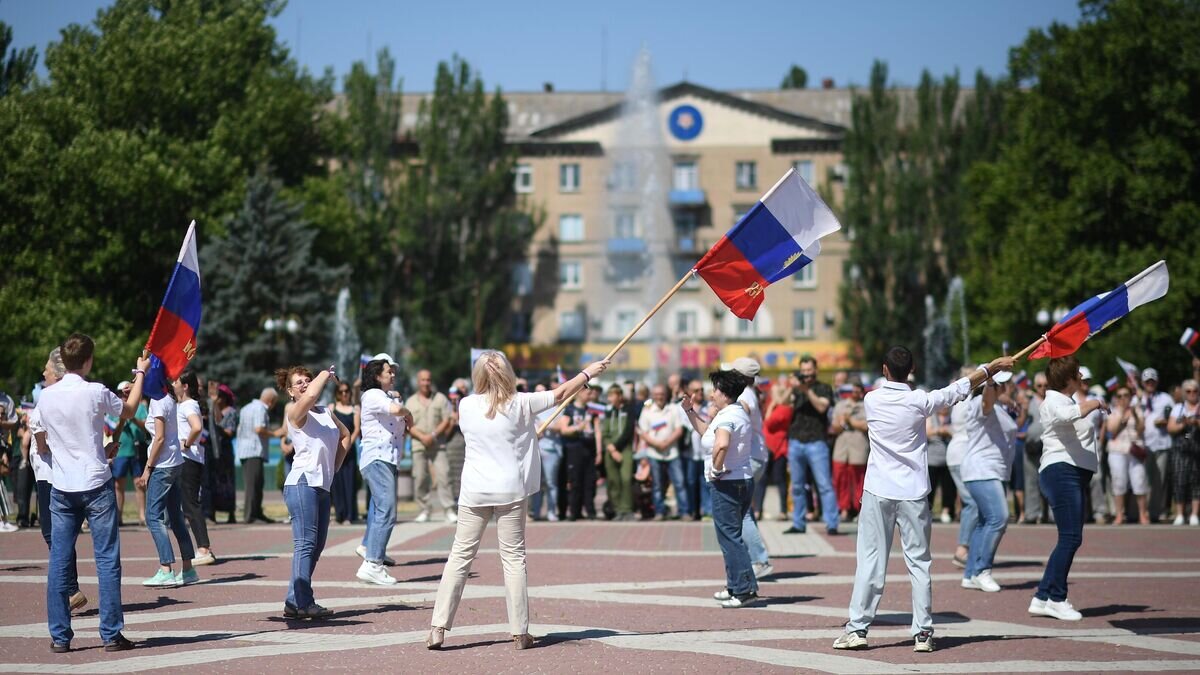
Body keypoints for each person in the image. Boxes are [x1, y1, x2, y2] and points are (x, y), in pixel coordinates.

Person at [834, 347, 1012, 653]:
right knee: (919, 563)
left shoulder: (872, 399)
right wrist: (990, 368)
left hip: (879, 489)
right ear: (912, 368)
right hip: (913, 490)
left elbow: (955, 389)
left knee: (871, 560)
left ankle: (858, 629)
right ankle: (923, 632)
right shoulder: (920, 400)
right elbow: (958, 389)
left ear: (885, 370)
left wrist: (989, 368)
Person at [427, 352, 609, 650]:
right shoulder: (522, 402)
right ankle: (519, 631)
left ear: (478, 377)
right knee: (513, 559)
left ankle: (438, 627)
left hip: (475, 490)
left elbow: (492, 432)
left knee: (459, 558)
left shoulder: (466, 404)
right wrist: (588, 373)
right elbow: (561, 392)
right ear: (508, 373)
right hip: (510, 489)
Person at [39, 333, 146, 652]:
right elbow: (128, 410)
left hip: (62, 485)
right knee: (107, 559)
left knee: (59, 560)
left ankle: (60, 635)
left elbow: (49, 441)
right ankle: (111, 633)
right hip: (95, 482)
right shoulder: (96, 391)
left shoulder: (46, 397)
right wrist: (140, 373)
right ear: (88, 361)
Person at [1028, 356, 1108, 621]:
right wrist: (1094, 403)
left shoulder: (1066, 400)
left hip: (1069, 472)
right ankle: (1057, 598)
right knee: (1071, 538)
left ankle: (1042, 597)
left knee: (1068, 537)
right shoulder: (1054, 402)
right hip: (1061, 472)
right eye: (1077, 375)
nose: (1081, 380)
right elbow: (1066, 416)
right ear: (1069, 379)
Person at [278, 365, 353, 619]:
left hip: (322, 484)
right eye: (298, 382)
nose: (305, 385)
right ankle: (303, 602)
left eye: (307, 380)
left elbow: (346, 435)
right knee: (305, 545)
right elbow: (309, 396)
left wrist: (333, 467)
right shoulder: (295, 412)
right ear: (290, 391)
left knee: (315, 547)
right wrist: (323, 375)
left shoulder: (325, 412)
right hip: (302, 483)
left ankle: (293, 599)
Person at [680, 369, 758, 607]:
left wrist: (716, 469)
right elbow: (706, 432)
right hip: (740, 479)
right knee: (730, 536)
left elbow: (721, 444)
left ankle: (742, 590)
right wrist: (689, 411)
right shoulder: (733, 413)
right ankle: (737, 584)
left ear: (725, 393)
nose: (712, 394)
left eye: (715, 390)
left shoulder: (727, 417)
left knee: (729, 537)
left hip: (728, 482)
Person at [26, 348, 87, 613]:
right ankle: (70, 588)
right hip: (60, 473)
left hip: (49, 474)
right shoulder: (66, 400)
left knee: (53, 534)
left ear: (58, 373)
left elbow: (42, 446)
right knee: (59, 534)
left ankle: (69, 589)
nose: (43, 373)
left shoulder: (47, 402)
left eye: (47, 369)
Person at [135, 375, 198, 588]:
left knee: (154, 517)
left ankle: (166, 570)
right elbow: (156, 431)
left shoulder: (158, 400)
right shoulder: (169, 399)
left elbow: (159, 438)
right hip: (174, 463)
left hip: (163, 466)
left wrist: (147, 469)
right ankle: (188, 569)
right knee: (175, 516)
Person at [355, 359, 413, 586]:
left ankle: (372, 554)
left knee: (383, 510)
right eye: (389, 372)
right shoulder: (372, 395)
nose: (393, 375)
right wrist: (407, 412)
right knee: (386, 510)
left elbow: (400, 426)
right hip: (377, 458)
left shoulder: (386, 396)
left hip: (387, 460)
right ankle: (372, 564)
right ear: (377, 376)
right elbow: (398, 411)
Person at [959, 374, 1018, 593]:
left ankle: (970, 573)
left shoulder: (999, 407)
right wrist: (991, 381)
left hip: (995, 470)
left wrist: (1006, 400)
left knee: (985, 522)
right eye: (1003, 383)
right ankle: (981, 571)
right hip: (982, 470)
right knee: (999, 518)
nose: (1008, 386)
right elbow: (986, 401)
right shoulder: (979, 404)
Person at [723, 358, 773, 578]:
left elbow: (739, 413)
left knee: (741, 512)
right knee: (743, 510)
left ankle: (759, 560)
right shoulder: (748, 392)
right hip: (754, 456)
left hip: (751, 458)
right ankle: (755, 558)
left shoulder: (744, 396)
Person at [785, 357, 838, 535]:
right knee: (797, 486)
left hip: (817, 442)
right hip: (796, 441)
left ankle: (831, 522)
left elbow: (822, 408)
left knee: (824, 485)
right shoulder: (796, 389)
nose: (806, 374)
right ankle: (798, 523)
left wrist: (807, 391)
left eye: (809, 371)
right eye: (803, 371)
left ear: (816, 370)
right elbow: (781, 402)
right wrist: (790, 386)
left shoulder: (823, 388)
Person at [175, 370, 215, 565]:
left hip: (188, 458)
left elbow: (197, 426)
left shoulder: (188, 405)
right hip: (190, 458)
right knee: (189, 503)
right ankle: (203, 547)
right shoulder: (183, 405)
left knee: (190, 504)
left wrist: (187, 444)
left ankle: (203, 548)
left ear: (185, 386)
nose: (173, 384)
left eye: (176, 381)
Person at [407, 369, 456, 523]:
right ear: (418, 382)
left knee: (444, 475)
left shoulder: (440, 398)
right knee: (420, 477)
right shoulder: (410, 401)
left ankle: (448, 509)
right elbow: (408, 425)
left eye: (428, 380)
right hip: (418, 443)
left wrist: (433, 435)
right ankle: (424, 509)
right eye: (423, 380)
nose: (426, 383)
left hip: (437, 443)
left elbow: (446, 420)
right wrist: (422, 436)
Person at [638, 384, 690, 520]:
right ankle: (659, 512)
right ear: (652, 395)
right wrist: (657, 444)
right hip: (654, 453)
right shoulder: (647, 410)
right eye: (656, 394)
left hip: (672, 452)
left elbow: (679, 429)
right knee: (657, 485)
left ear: (665, 395)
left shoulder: (673, 409)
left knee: (679, 483)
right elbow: (642, 432)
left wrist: (666, 443)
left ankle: (684, 512)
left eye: (661, 394)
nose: (659, 397)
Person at [946, 366, 976, 568]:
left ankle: (968, 548)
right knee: (973, 503)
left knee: (971, 503)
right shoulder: (969, 401)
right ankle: (962, 549)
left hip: (959, 453)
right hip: (961, 454)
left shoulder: (962, 400)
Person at [1137, 368, 1175, 522]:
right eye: (1147, 382)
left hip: (1162, 444)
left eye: (1152, 381)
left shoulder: (1165, 398)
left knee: (1160, 480)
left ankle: (1157, 511)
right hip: (1144, 446)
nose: (1150, 384)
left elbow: (1174, 417)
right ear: (1143, 383)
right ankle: (1143, 512)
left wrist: (1164, 422)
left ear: (1156, 382)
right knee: (1143, 479)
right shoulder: (1137, 399)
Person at [236, 388, 278, 524]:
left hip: (244, 450)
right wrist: (275, 434)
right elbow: (259, 429)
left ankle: (257, 513)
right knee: (253, 485)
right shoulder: (261, 409)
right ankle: (250, 516)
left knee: (256, 484)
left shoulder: (246, 408)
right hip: (254, 450)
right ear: (271, 401)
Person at [1106, 386, 1148, 524]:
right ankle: (1119, 515)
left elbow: (1141, 429)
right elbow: (1112, 431)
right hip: (1117, 450)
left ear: (1130, 397)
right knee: (1119, 482)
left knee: (1139, 480)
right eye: (1120, 396)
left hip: (1135, 450)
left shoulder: (1137, 410)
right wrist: (1123, 416)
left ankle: (1142, 514)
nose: (1123, 398)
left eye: (1126, 395)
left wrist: (1134, 415)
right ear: (1116, 398)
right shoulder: (1113, 412)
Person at [559, 388, 601, 520]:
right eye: (588, 393)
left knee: (590, 482)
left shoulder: (592, 410)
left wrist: (599, 451)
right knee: (575, 481)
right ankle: (574, 512)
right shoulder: (570, 409)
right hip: (574, 449)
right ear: (580, 393)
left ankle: (590, 511)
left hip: (589, 449)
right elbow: (563, 429)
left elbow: (597, 431)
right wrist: (577, 428)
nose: (590, 395)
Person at [831, 380, 870, 521]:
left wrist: (851, 421)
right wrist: (842, 422)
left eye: (858, 391)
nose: (855, 394)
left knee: (859, 481)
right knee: (841, 480)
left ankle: (859, 510)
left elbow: (867, 426)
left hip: (859, 448)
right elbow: (834, 427)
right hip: (842, 448)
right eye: (853, 390)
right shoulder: (840, 405)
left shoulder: (866, 406)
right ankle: (844, 509)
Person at [112, 381, 148, 525]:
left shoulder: (140, 407)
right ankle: (119, 515)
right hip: (120, 451)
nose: (124, 396)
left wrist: (132, 417)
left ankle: (142, 516)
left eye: (126, 393)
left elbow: (146, 426)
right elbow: (111, 430)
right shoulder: (115, 408)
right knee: (118, 484)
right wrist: (122, 419)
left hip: (136, 450)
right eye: (121, 394)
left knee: (139, 484)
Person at [600, 384, 636, 521]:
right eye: (608, 395)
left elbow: (628, 431)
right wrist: (610, 447)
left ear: (620, 396)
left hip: (624, 449)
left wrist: (616, 447)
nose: (609, 398)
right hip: (610, 449)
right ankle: (616, 509)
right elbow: (604, 432)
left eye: (612, 395)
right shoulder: (608, 411)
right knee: (613, 480)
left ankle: (626, 509)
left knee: (626, 479)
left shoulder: (628, 410)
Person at [1168, 378, 1200, 525]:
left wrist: (1196, 422)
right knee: (1179, 481)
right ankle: (1180, 514)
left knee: (1196, 482)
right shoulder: (1178, 408)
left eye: (1195, 391)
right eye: (1188, 391)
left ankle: (1194, 514)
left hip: (1197, 449)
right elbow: (1170, 428)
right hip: (1181, 450)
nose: (1192, 394)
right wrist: (1183, 424)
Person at [206, 383, 238, 523]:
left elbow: (228, 430)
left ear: (224, 398)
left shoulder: (230, 411)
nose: (216, 400)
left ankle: (231, 513)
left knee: (227, 482)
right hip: (213, 450)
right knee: (214, 481)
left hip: (224, 451)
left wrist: (215, 427)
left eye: (218, 397)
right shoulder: (212, 409)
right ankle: (212, 511)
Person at [330, 380, 361, 525]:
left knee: (349, 482)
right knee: (336, 483)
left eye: (346, 391)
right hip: (335, 450)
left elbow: (356, 429)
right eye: (341, 392)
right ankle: (339, 514)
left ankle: (349, 515)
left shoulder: (355, 409)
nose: (344, 394)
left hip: (349, 451)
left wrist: (348, 443)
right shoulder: (332, 408)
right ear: (337, 393)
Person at [530, 382, 562, 521]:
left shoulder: (554, 407)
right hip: (534, 450)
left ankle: (551, 511)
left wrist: (546, 426)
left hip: (551, 449)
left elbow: (560, 426)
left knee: (550, 482)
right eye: (537, 391)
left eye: (542, 391)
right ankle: (535, 512)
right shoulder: (529, 406)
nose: (539, 394)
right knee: (536, 484)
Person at [762, 381, 793, 520]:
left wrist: (772, 407)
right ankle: (758, 510)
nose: (771, 393)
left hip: (778, 447)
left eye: (773, 391)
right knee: (762, 480)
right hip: (767, 446)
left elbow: (768, 422)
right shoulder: (771, 405)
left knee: (779, 479)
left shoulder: (783, 408)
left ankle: (783, 511)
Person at [685, 379, 715, 519]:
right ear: (690, 392)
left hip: (705, 454)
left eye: (701, 390)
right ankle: (692, 511)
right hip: (690, 454)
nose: (700, 393)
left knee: (705, 483)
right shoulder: (684, 407)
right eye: (696, 390)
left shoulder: (708, 407)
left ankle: (707, 511)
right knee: (691, 483)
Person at [926, 409, 956, 524]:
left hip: (948, 459)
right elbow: (927, 432)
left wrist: (948, 432)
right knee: (930, 488)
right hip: (932, 459)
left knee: (949, 489)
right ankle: (928, 511)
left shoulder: (953, 417)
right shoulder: (931, 417)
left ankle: (946, 511)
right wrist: (939, 431)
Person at [444, 379, 470, 502]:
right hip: (452, 447)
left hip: (467, 446)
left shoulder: (471, 405)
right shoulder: (448, 406)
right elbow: (445, 434)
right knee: (453, 476)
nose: (461, 391)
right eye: (458, 388)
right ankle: (455, 502)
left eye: (463, 388)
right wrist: (452, 421)